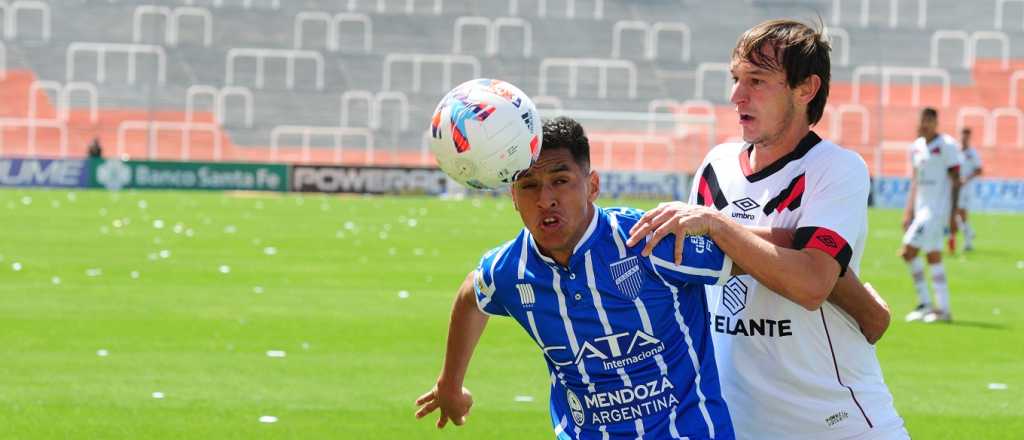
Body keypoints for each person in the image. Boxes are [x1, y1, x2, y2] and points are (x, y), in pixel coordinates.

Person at [415, 117, 890, 439]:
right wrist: (450, 383)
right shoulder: (510, 268)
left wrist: (860, 303)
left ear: (592, 185)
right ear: (512, 197)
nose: (546, 199)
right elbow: (471, 296)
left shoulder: (651, 240)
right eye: (530, 187)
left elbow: (760, 254)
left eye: (561, 180)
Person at [625, 20, 907, 439]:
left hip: (837, 424)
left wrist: (718, 225)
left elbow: (812, 282)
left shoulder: (834, 167)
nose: (737, 95)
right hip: (734, 423)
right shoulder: (716, 164)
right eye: (736, 79)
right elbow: (693, 266)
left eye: (757, 80)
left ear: (805, 89)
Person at [902, 108, 961, 323]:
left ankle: (925, 303)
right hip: (922, 211)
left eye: (930, 120)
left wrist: (953, 214)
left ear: (936, 123)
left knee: (907, 252)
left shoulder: (947, 145)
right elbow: (915, 181)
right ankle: (943, 310)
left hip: (936, 212)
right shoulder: (916, 148)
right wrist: (909, 211)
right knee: (932, 256)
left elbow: (956, 180)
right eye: (923, 120)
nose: (926, 124)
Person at [953, 127, 982, 252]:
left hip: (966, 188)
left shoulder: (972, 153)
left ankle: (968, 241)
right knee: (957, 213)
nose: (963, 139)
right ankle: (969, 232)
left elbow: (979, 170)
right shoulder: (955, 152)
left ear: (969, 138)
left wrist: (966, 179)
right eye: (962, 136)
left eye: (966, 136)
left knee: (961, 212)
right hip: (956, 186)